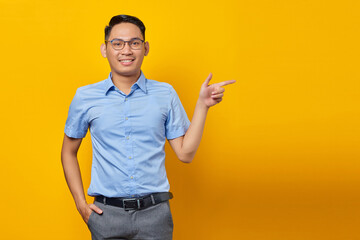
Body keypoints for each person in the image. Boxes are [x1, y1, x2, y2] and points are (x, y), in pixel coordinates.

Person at [61, 14, 235, 240]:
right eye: (117, 43)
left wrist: (202, 106)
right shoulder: (85, 97)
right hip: (107, 215)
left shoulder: (165, 93)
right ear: (105, 49)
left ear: (145, 48)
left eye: (134, 43)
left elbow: (185, 153)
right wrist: (81, 205)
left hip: (155, 216)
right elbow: (68, 152)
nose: (126, 50)